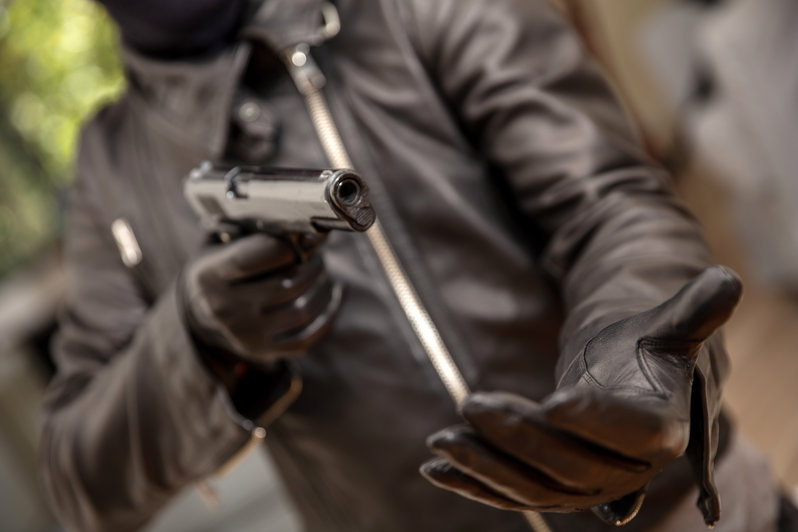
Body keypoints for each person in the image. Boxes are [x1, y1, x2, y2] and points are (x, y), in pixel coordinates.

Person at [39, 0, 783, 531]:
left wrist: (630, 356)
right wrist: (195, 344)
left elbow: (608, 205)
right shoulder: (110, 171)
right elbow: (81, 484)